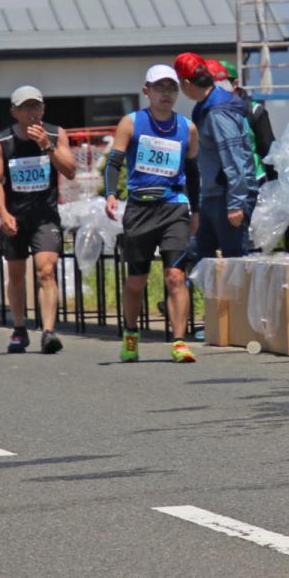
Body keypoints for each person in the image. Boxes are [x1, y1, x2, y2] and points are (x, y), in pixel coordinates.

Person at [104, 64, 201, 363]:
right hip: (140, 208)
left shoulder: (187, 127)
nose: (166, 94)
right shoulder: (131, 123)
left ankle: (179, 341)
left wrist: (196, 210)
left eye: (171, 88)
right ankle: (131, 334)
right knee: (137, 281)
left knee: (175, 275)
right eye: (159, 88)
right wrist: (110, 194)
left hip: (174, 206)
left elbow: (193, 173)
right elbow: (114, 162)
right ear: (147, 91)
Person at [0, 86, 78, 354]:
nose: (31, 112)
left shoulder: (56, 134)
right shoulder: (2, 140)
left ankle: (48, 331)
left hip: (45, 214)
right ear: (14, 112)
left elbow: (70, 171)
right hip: (15, 215)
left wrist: (47, 147)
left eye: (35, 106)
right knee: (16, 274)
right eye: (25, 107)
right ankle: (19, 327)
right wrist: (3, 213)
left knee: (46, 270)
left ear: (43, 108)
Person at [175, 54, 254, 260]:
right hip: (211, 195)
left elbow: (233, 157)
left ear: (186, 83)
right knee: (202, 259)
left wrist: (235, 203)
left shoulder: (217, 113)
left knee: (233, 264)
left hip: (225, 197)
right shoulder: (206, 106)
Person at [220, 59, 278, 184]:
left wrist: (273, 184)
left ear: (235, 83)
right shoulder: (211, 113)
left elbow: (268, 150)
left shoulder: (255, 111)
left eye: (221, 83)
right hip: (223, 182)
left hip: (254, 180)